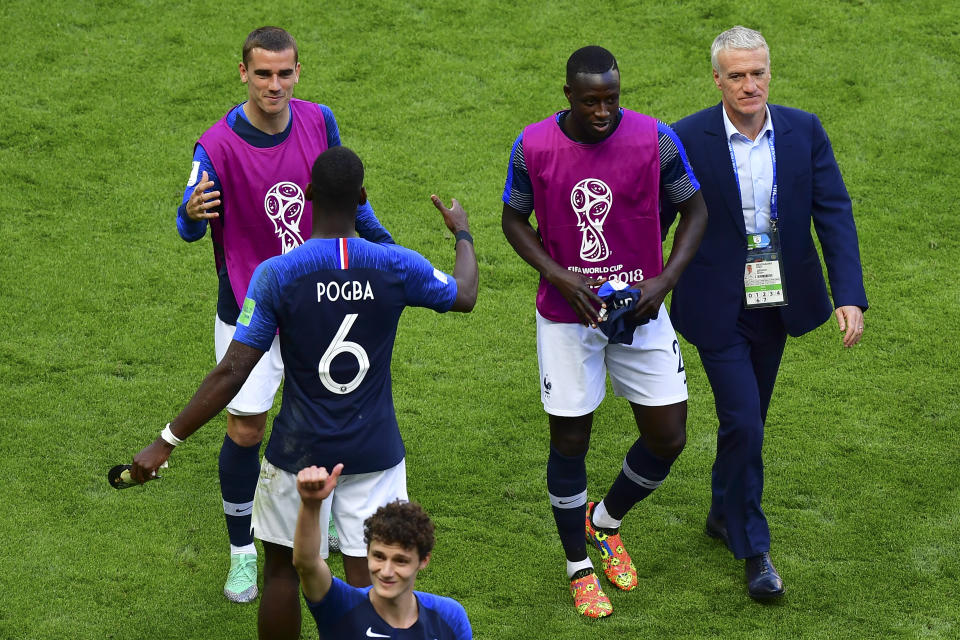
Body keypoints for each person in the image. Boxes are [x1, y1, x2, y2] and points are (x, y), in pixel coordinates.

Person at [133, 146, 478, 640]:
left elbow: (233, 370)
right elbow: (464, 294)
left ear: (309, 194)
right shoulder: (395, 265)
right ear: (362, 197)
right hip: (375, 451)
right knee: (368, 582)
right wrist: (462, 232)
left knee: (281, 571)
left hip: (299, 451)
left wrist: (167, 440)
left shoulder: (277, 274)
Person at [176, 26, 394, 603]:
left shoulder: (320, 121)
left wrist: (387, 253)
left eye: (285, 73)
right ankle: (243, 551)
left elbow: (349, 199)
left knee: (334, 414)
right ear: (243, 72)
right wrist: (192, 214)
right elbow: (186, 223)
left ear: (298, 72)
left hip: (318, 304)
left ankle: (335, 535)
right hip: (250, 308)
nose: (275, 84)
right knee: (247, 427)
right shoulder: (215, 146)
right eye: (263, 73)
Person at [501, 45, 708, 618]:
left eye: (611, 99)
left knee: (669, 435)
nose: (602, 111)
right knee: (570, 440)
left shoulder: (655, 139)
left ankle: (605, 521)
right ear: (567, 94)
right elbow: (513, 218)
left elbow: (696, 211)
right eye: (590, 100)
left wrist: (662, 282)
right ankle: (577, 566)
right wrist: (557, 274)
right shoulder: (533, 144)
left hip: (640, 308)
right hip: (568, 317)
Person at [665, 26, 868, 600]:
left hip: (777, 300)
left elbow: (833, 212)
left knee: (746, 419)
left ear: (769, 73)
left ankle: (720, 511)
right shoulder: (684, 138)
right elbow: (654, 218)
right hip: (714, 302)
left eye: (757, 73)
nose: (749, 84)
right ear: (717, 80)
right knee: (746, 421)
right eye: (736, 75)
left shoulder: (804, 130)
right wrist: (633, 287)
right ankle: (753, 548)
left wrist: (847, 293)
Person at [292, 465, 472, 639]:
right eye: (379, 556)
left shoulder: (449, 618)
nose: (386, 572)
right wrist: (310, 505)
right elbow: (307, 564)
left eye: (400, 561)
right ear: (367, 552)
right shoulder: (340, 606)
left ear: (423, 560)